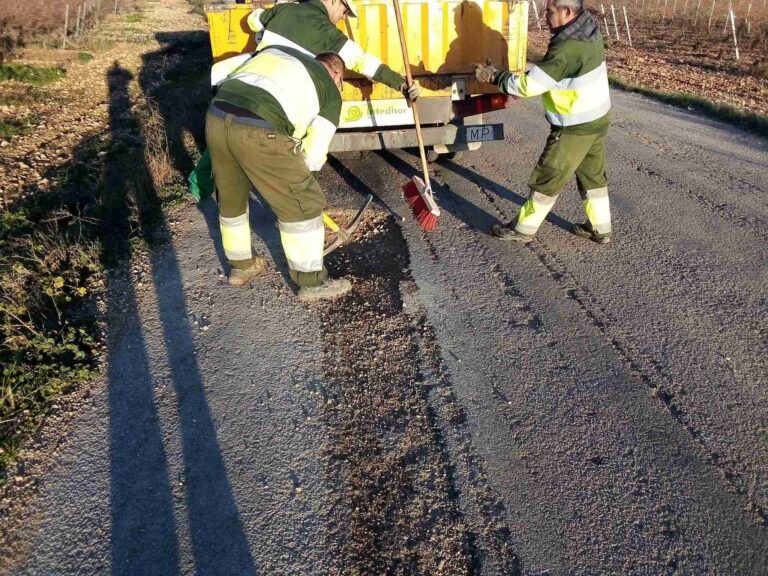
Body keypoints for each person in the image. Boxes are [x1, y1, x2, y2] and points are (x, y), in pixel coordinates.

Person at [206, 47, 350, 301]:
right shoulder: (329, 90)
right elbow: (314, 155)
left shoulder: (278, 52)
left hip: (216, 117)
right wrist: (294, 183)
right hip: (260, 127)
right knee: (304, 202)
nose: (339, 88)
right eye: (342, 84)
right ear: (336, 75)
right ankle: (312, 282)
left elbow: (220, 71)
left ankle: (241, 266)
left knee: (231, 196)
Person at [474, 0, 612, 244]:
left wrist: (494, 76)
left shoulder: (566, 46)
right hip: (597, 119)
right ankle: (600, 229)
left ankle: (523, 230)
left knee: (548, 177)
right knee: (592, 177)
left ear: (567, 11)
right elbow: (554, 74)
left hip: (574, 127)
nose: (544, 17)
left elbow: (531, 85)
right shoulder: (588, 28)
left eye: (549, 12)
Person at [247, 0, 419, 102]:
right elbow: (363, 62)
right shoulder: (329, 34)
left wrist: (264, 30)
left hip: (252, 89)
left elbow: (253, 20)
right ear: (335, 0)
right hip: (285, 101)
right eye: (345, 10)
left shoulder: (284, 10)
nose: (343, 17)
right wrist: (401, 84)